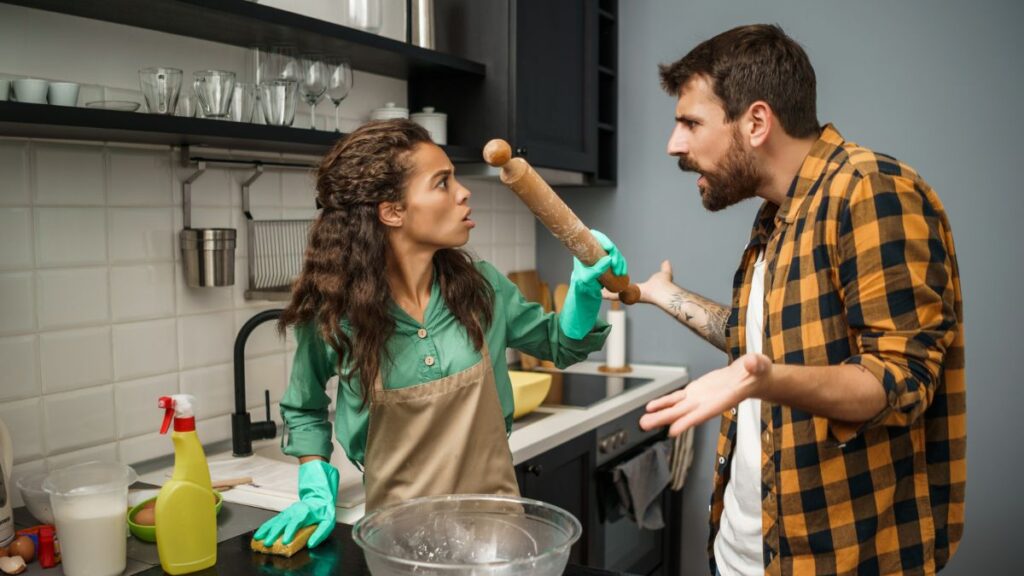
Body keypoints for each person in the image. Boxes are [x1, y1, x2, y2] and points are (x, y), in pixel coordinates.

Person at [620, 24, 965, 575]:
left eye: (690, 122)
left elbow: (900, 380)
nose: (674, 144)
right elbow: (756, 341)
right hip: (744, 551)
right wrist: (665, 296)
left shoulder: (872, 190)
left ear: (756, 122)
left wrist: (767, 380)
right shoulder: (777, 214)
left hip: (835, 559)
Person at [253, 120, 625, 550]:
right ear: (392, 211)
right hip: (398, 546)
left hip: (495, 539)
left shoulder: (481, 287)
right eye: (443, 183)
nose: (464, 192)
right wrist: (314, 478)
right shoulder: (338, 313)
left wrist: (583, 293)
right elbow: (304, 405)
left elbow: (557, 344)